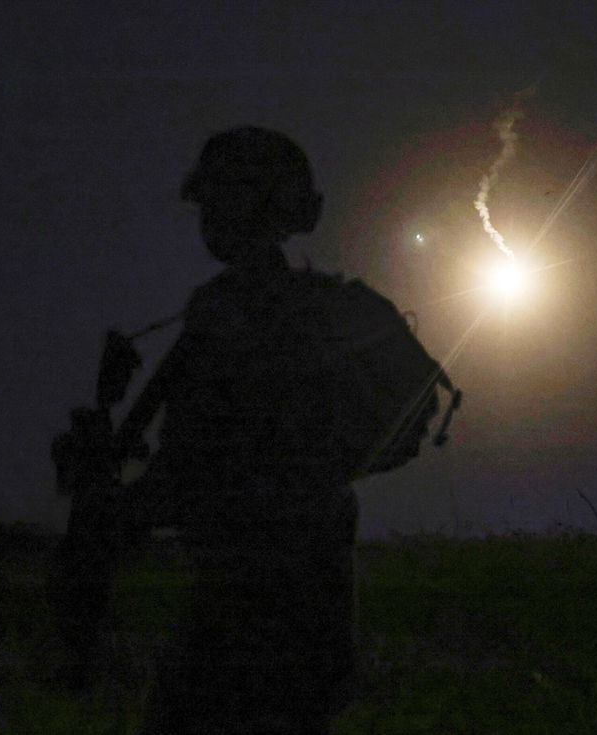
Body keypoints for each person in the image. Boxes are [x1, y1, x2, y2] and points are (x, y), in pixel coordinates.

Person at [124, 127, 361, 734]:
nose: (206, 217)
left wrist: (127, 509)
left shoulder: (234, 315)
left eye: (217, 200)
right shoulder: (306, 308)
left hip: (246, 615)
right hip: (307, 610)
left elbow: (202, 458)